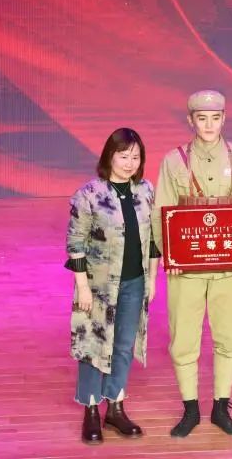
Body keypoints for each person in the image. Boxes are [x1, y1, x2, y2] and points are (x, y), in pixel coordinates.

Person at [150, 89, 232, 437]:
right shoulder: (173, 160)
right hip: (186, 267)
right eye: (201, 118)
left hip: (229, 264)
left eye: (215, 118)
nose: (209, 125)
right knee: (183, 338)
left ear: (224, 119)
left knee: (229, 336)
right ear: (190, 120)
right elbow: (160, 210)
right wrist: (169, 253)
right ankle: (190, 409)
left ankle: (220, 406)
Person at [65, 128, 159, 444]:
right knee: (93, 345)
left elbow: (154, 240)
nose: (130, 163)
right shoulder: (89, 194)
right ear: (109, 156)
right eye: (123, 156)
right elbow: (75, 244)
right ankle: (91, 409)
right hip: (98, 286)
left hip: (135, 282)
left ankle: (115, 407)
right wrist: (82, 287)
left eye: (136, 157)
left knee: (123, 345)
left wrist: (153, 279)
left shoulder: (146, 191)